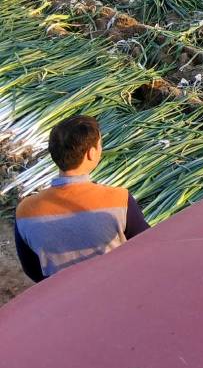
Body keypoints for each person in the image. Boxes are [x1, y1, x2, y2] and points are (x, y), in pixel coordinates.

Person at [14, 114, 149, 283]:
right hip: (116, 289)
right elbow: (147, 245)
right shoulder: (119, 198)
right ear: (92, 153)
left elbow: (32, 270)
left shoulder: (25, 210)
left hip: (62, 298)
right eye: (100, 144)